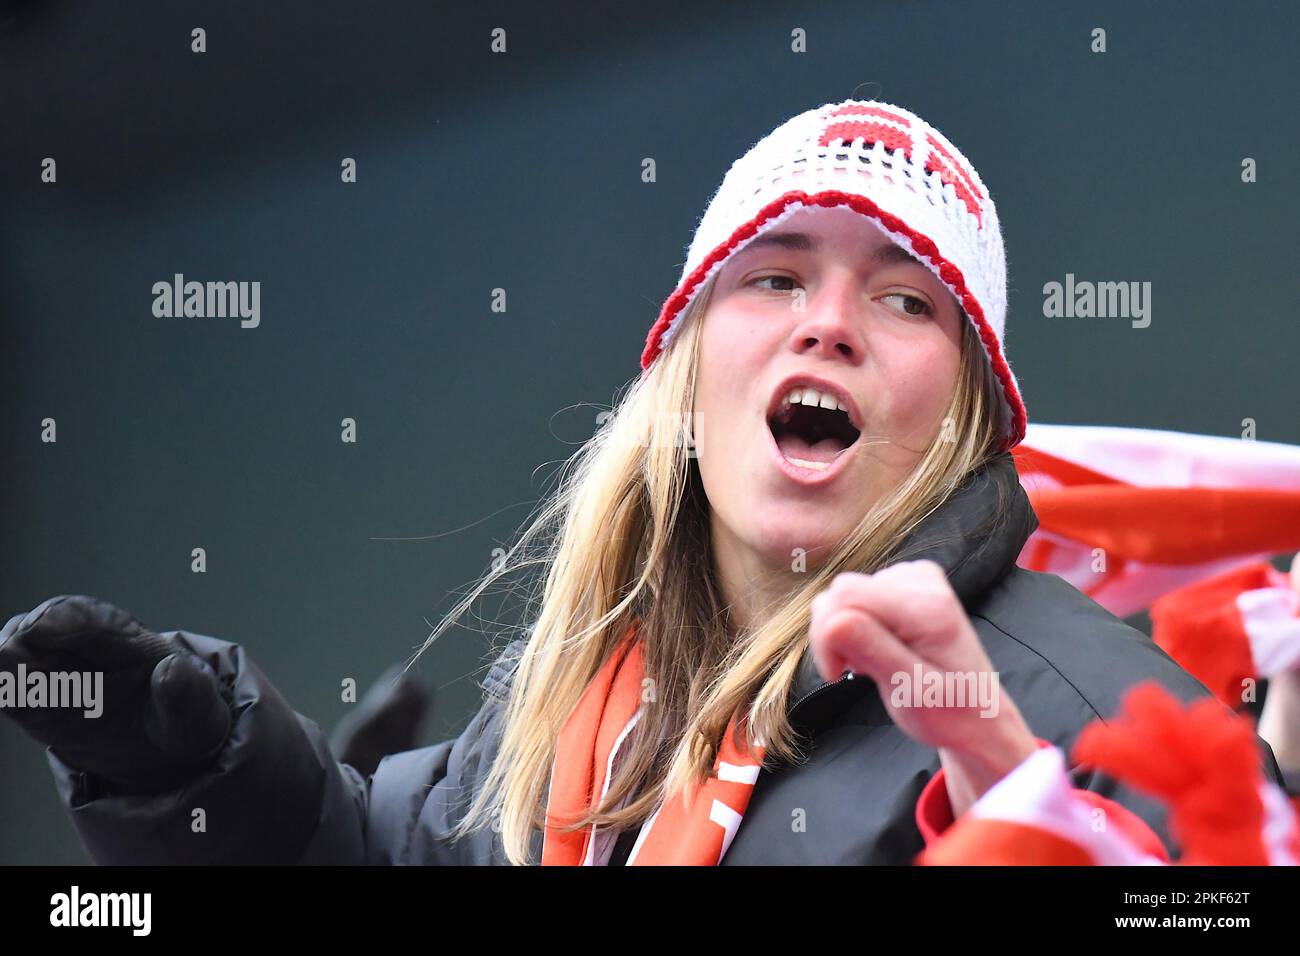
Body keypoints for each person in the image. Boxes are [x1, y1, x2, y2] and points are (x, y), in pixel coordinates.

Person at [1, 99, 1283, 865]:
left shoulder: (1112, 723)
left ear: (961, 417)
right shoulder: (574, 713)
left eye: (904, 300)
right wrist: (212, 786)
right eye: (773, 275)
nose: (826, 322)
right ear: (682, 368)